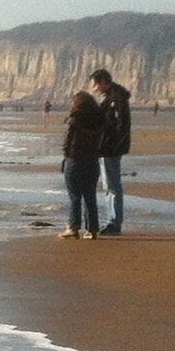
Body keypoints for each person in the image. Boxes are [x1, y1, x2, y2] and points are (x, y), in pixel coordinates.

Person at [90, 67, 132, 236]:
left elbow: (123, 125)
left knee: (112, 186)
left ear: (102, 82)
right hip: (106, 147)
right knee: (108, 185)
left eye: (95, 84)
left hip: (110, 149)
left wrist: (113, 146)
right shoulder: (111, 97)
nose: (94, 88)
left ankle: (114, 222)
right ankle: (112, 220)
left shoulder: (117, 99)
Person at [59, 90, 105, 238]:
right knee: (90, 196)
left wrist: (65, 157)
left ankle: (73, 227)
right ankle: (92, 229)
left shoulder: (74, 121)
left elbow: (67, 142)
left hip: (75, 160)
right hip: (92, 161)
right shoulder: (99, 122)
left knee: (75, 196)